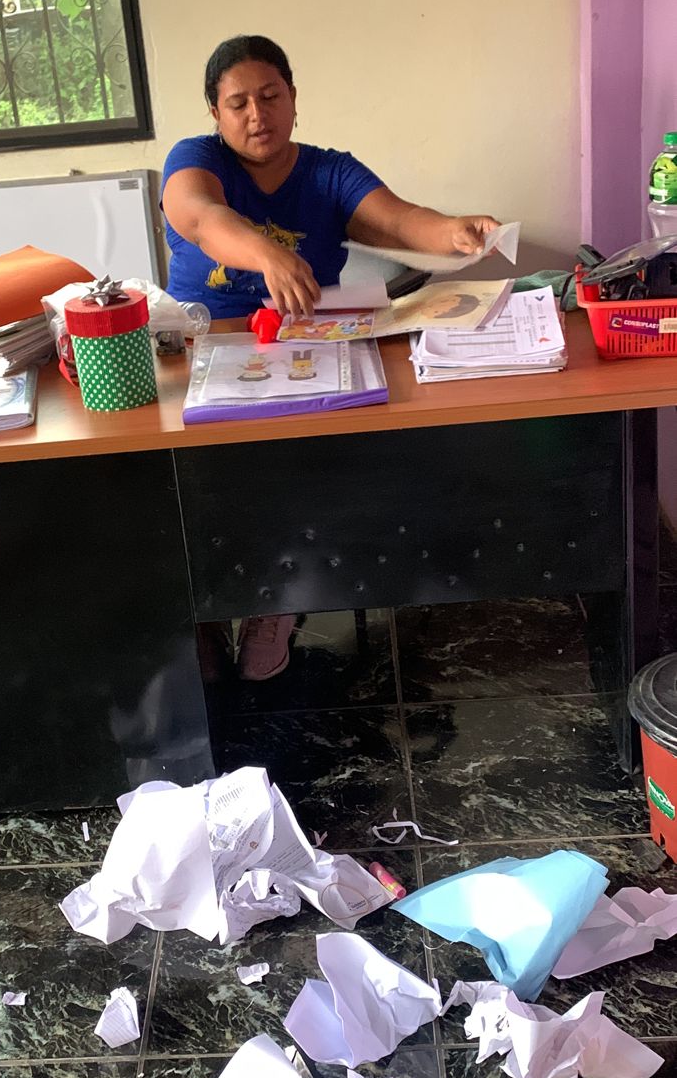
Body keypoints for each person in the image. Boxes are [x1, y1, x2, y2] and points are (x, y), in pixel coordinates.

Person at [162, 33, 500, 679]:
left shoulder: (328, 172)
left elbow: (400, 220)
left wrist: (454, 231)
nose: (257, 115)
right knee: (196, 483)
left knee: (304, 467)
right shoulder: (196, 159)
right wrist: (268, 253)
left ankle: (276, 599)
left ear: (293, 99)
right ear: (215, 113)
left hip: (303, 351)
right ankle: (200, 615)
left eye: (270, 96)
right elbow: (201, 217)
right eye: (238, 103)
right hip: (205, 350)